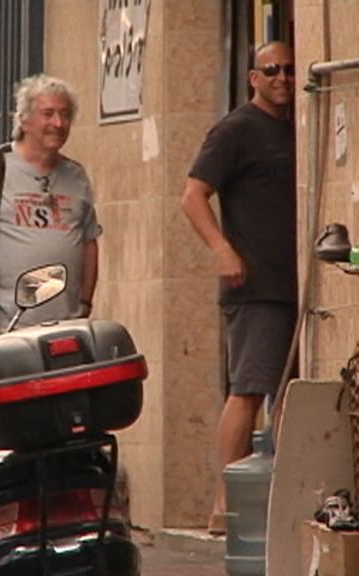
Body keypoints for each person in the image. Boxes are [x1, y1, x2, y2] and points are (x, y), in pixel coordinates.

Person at [180, 41, 297, 536]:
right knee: (247, 390)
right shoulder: (235, 130)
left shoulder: (297, 125)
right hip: (256, 288)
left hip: (297, 286)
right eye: (273, 70)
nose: (284, 79)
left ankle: (276, 499)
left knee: (288, 396)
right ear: (253, 76)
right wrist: (224, 251)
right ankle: (225, 503)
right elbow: (192, 196)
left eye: (290, 71)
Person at [0, 74, 101, 334]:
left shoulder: (76, 176)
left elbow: (89, 242)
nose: (58, 123)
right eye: (48, 113)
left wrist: (86, 302)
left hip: (67, 325)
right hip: (6, 325)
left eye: (65, 115)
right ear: (24, 120)